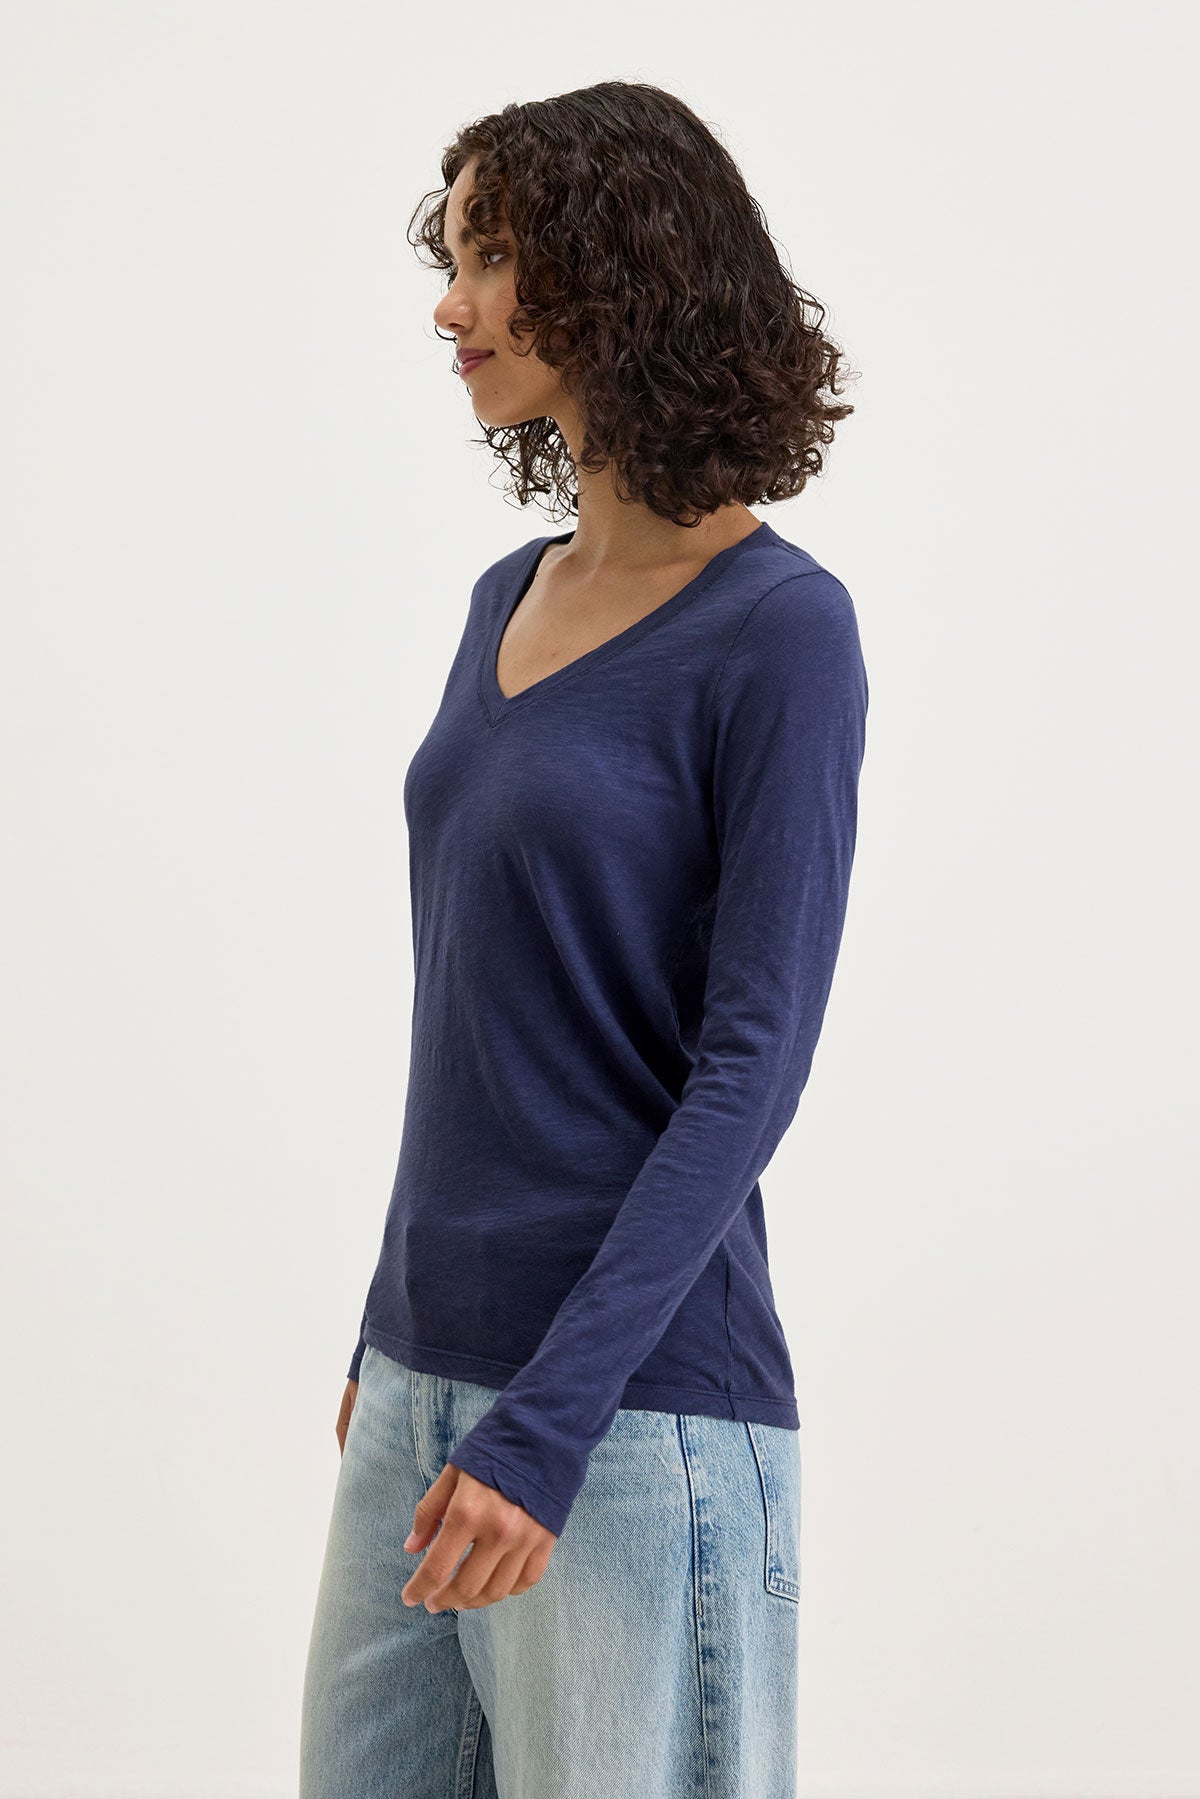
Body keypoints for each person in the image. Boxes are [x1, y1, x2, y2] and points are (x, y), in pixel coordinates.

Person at [299, 78, 868, 1799]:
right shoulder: (505, 598)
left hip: (626, 1423)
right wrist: (383, 1337)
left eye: (489, 259)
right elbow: (471, 1009)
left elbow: (748, 1067)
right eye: (450, 257)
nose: (449, 304)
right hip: (418, 1384)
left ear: (621, 274)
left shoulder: (782, 633)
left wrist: (545, 1428)